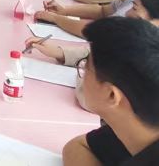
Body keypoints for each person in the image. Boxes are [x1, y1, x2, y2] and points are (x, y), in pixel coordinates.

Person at [25, 0, 159, 111]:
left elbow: (90, 99)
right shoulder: (140, 43)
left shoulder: (147, 61)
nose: (127, 13)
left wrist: (85, 75)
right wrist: (61, 53)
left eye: (134, 8)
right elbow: (108, 53)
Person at [61, 17, 159, 165]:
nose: (82, 74)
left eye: (86, 67)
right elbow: (77, 146)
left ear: (112, 95)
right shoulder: (135, 126)